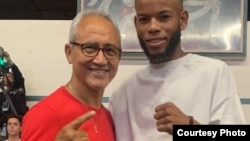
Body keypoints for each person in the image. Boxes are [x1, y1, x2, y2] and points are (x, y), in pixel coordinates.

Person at [109, 0, 246, 140]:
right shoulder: (122, 94)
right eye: (144, 19)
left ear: (183, 20)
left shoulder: (214, 73)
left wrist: (189, 128)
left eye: (164, 17)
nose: (153, 27)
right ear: (136, 24)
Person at [21, 10, 121, 141]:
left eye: (110, 50)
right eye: (90, 48)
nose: (101, 60)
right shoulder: (44, 115)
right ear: (69, 53)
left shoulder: (108, 117)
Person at [0, 49, 28, 131]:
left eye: (11, 76)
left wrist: (10, 62)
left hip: (18, 125)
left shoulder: (19, 91)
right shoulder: (2, 95)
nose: (8, 77)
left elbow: (19, 77)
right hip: (4, 128)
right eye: (6, 76)